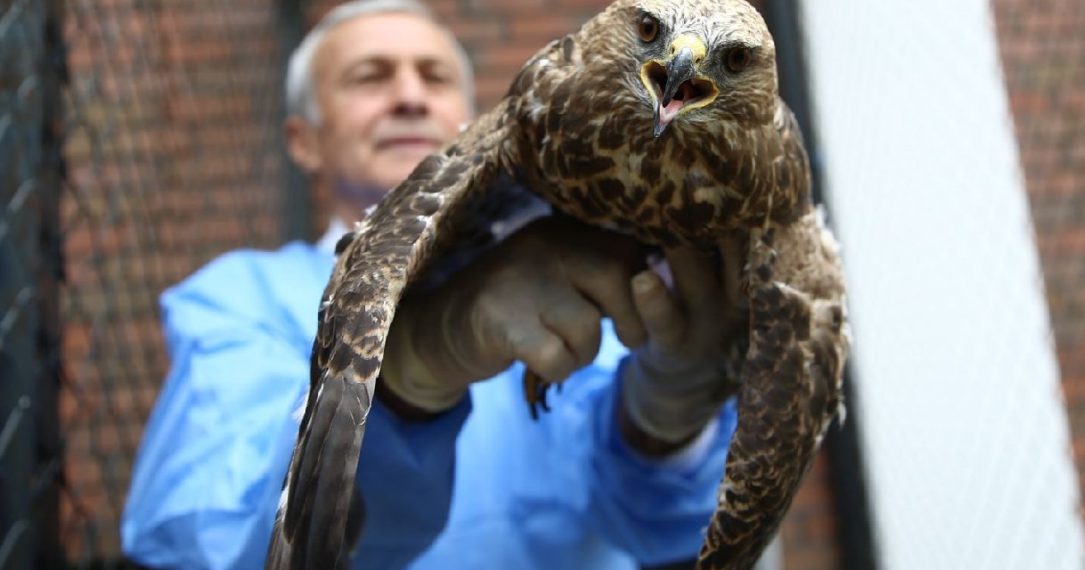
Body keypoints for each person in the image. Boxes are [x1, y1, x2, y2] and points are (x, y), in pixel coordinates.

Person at [120, 1, 757, 568]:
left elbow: (669, 534)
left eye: (435, 77)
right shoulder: (240, 298)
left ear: (468, 115)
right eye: (369, 77)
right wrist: (411, 370)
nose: (410, 97)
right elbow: (206, 543)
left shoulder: (585, 261)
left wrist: (665, 420)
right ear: (303, 142)